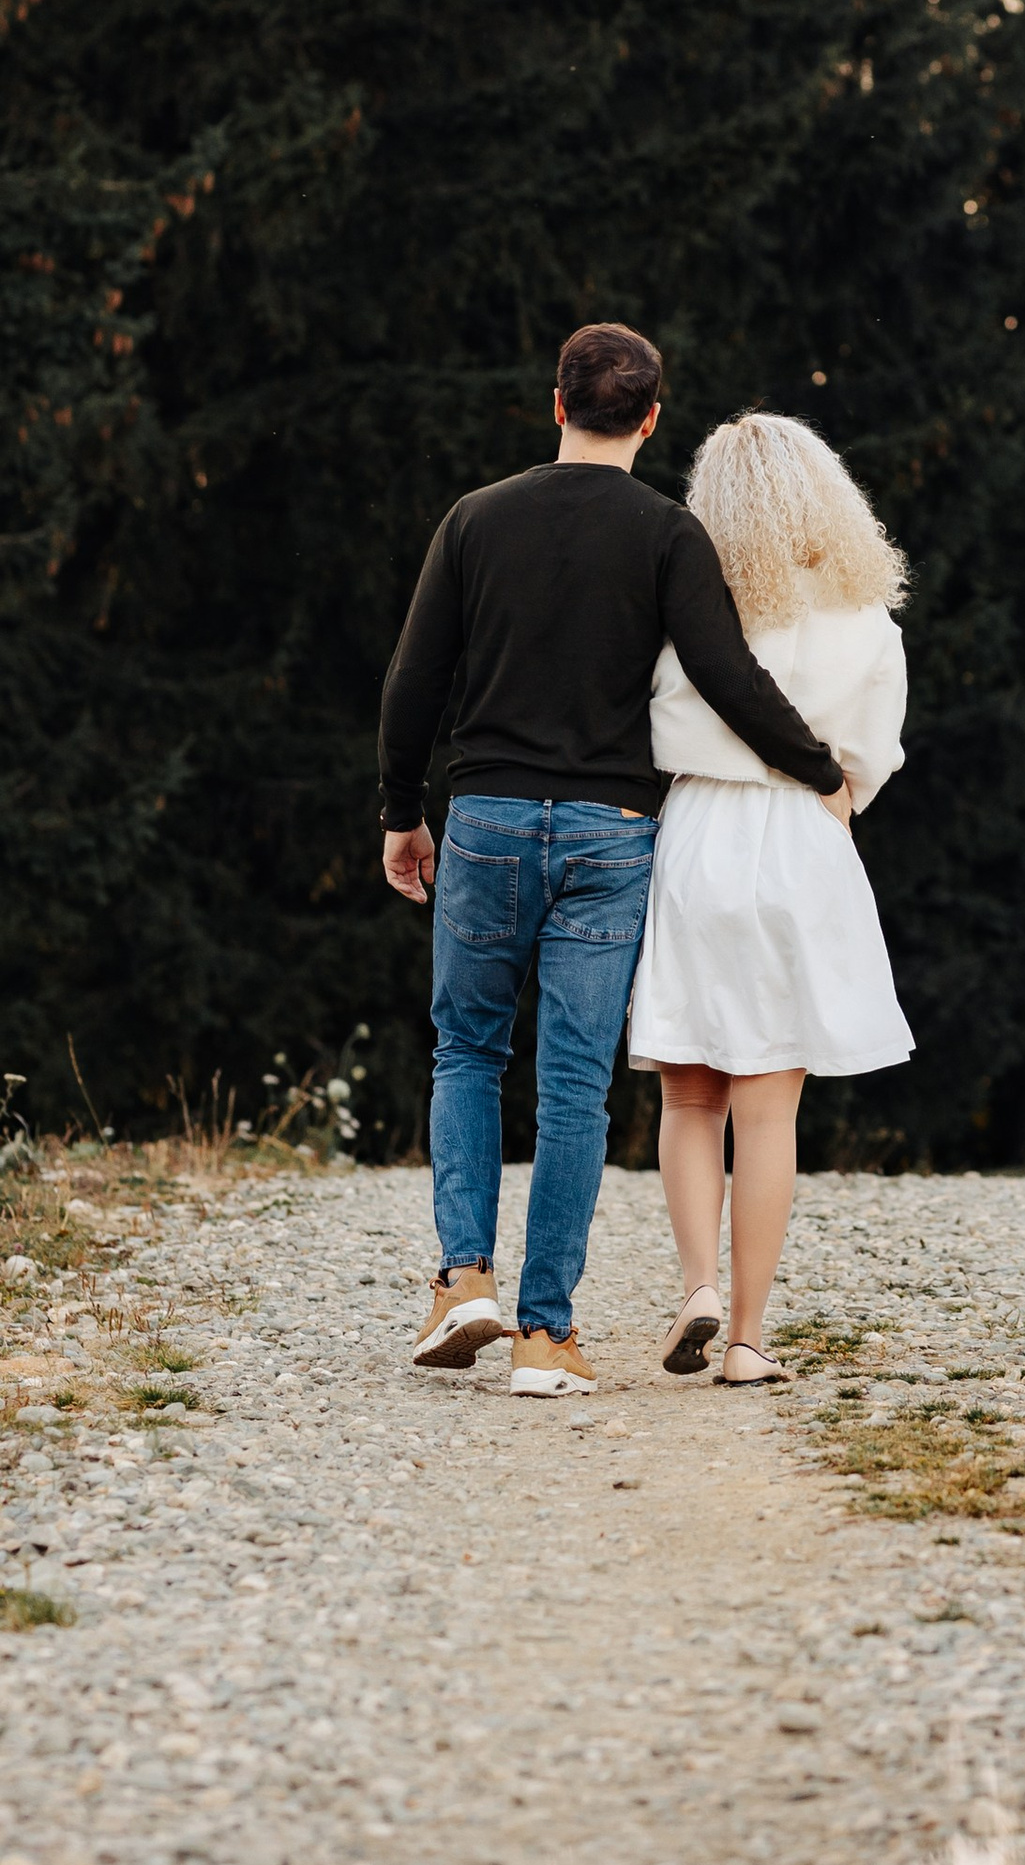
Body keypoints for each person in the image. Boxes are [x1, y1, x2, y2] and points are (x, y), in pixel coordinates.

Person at [377, 324, 848, 1396]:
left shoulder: (474, 520)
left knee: (466, 1052)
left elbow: (414, 681)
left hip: (486, 816)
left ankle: (462, 1280)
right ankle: (546, 1337)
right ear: (649, 418)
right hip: (609, 832)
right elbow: (730, 678)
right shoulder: (669, 536)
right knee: (575, 1088)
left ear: (555, 403)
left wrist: (403, 811)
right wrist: (820, 770)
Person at [628, 409, 913, 1386]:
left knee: (688, 1091)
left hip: (699, 834)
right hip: (802, 840)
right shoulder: (867, 622)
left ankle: (697, 1285)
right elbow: (866, 762)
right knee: (768, 1110)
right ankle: (747, 1338)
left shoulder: (694, 605)